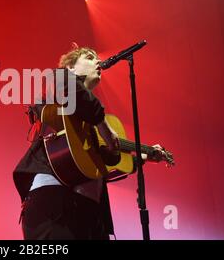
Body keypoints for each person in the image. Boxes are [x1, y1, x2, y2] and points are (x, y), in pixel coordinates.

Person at [13, 43, 172, 240]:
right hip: (55, 204)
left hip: (90, 211)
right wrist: (103, 127)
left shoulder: (92, 116)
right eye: (89, 57)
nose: (97, 61)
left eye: (96, 57)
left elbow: (106, 164)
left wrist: (143, 155)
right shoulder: (60, 81)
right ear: (70, 68)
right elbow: (70, 88)